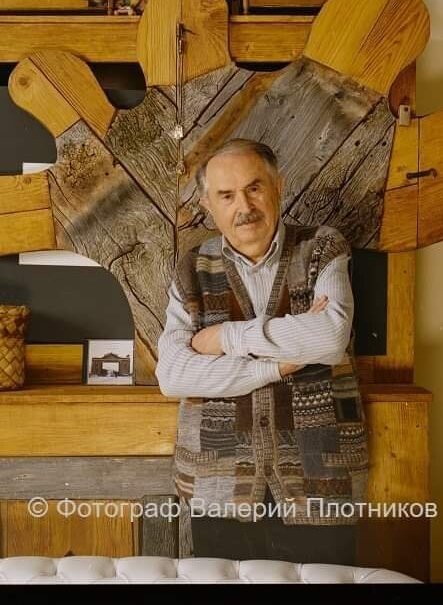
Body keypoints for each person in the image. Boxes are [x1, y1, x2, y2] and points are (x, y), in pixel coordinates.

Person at [156, 139, 369, 565]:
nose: (244, 207)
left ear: (278, 187)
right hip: (217, 480)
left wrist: (225, 339)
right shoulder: (191, 267)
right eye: (226, 195)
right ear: (208, 205)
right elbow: (174, 375)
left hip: (320, 474)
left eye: (254, 188)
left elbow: (330, 338)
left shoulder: (322, 247)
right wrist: (276, 366)